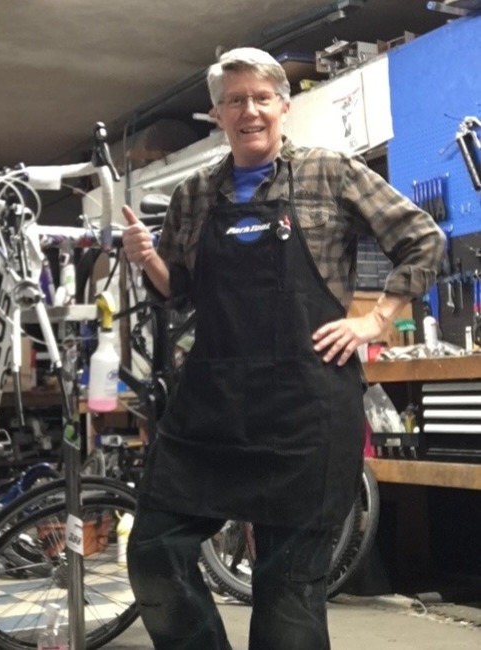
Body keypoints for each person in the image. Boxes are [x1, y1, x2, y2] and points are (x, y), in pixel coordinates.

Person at [121, 47, 445, 650]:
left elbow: (422, 238)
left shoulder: (330, 171)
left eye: (261, 98)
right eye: (234, 100)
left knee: (287, 597)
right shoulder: (194, 193)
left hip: (305, 409)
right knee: (153, 552)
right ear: (218, 114)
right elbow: (178, 291)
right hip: (213, 406)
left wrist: (374, 322)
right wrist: (148, 261)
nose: (249, 110)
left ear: (283, 106)